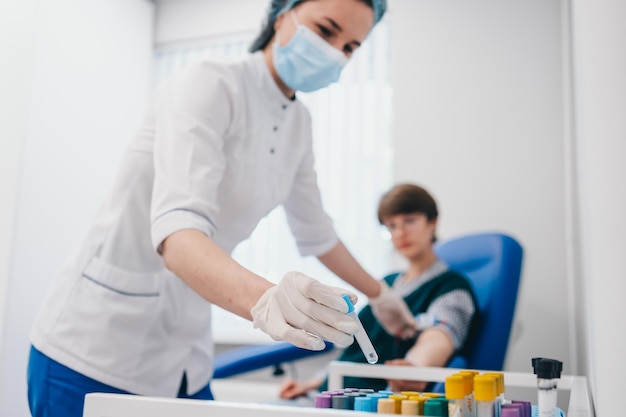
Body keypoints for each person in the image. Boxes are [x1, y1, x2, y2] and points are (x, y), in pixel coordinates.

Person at [26, 1, 418, 417]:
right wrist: (268, 300)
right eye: (326, 30)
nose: (335, 52)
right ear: (282, 16)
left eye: (351, 46)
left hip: (184, 355)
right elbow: (179, 236)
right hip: (97, 344)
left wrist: (381, 295)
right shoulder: (210, 84)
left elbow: (316, 231)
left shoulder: (298, 124)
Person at [279, 183, 480, 398]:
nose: (400, 233)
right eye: (391, 226)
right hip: (327, 393)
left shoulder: (452, 287)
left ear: (433, 222)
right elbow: (357, 348)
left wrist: (413, 368)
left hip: (366, 402)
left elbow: (441, 334)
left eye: (409, 221)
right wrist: (313, 383)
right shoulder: (386, 286)